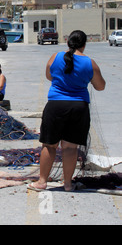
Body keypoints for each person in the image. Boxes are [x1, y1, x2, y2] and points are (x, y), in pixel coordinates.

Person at [28, 30, 105, 192]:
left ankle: (42, 181)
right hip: (78, 108)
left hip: (56, 105)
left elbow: (50, 76)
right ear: (84, 45)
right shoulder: (89, 63)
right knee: (70, 148)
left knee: (49, 145)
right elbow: (100, 86)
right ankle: (68, 184)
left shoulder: (55, 57)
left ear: (68, 42)